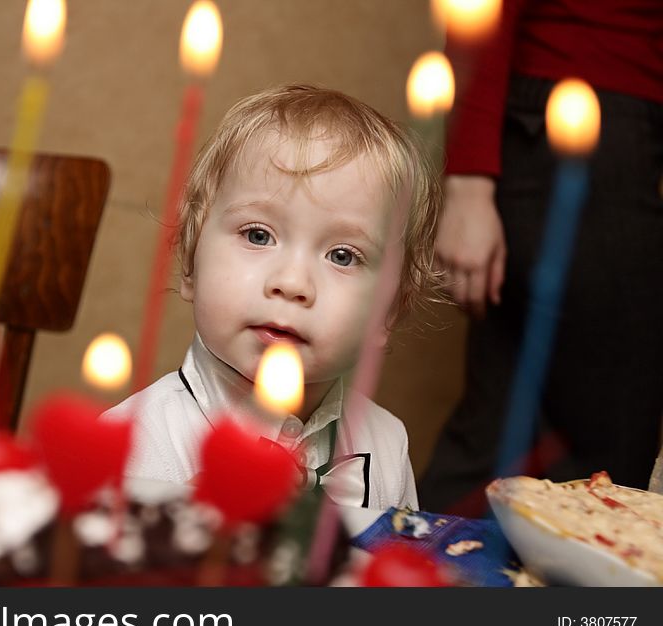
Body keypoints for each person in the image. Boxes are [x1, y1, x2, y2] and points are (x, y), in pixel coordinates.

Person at [103, 84, 442, 510]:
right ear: (189, 260)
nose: (293, 282)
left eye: (342, 255)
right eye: (258, 235)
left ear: (389, 311)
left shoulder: (387, 445)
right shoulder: (129, 446)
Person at [419, 0, 663, 516]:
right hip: (589, 128)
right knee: (605, 456)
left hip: (590, 129)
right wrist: (466, 179)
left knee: (503, 432)